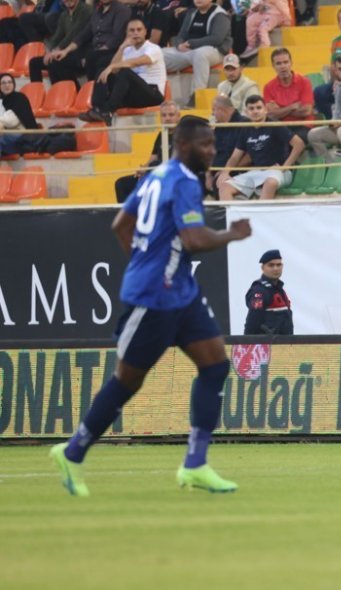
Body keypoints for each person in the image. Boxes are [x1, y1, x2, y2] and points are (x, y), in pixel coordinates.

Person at [49, 117, 253, 497]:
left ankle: (195, 464)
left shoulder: (157, 176)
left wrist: (145, 260)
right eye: (206, 145)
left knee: (215, 364)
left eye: (213, 144)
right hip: (153, 297)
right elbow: (192, 239)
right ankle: (73, 451)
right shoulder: (184, 182)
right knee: (128, 381)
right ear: (184, 145)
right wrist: (231, 234)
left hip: (181, 292)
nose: (212, 151)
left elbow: (121, 224)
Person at [79, 19, 167, 125]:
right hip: (134, 94)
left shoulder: (153, 48)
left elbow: (138, 62)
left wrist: (112, 66)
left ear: (145, 32)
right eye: (132, 30)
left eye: (139, 30)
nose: (135, 33)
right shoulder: (127, 50)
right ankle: (97, 109)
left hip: (152, 94)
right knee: (102, 71)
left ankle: (107, 111)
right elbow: (114, 70)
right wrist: (121, 47)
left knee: (125, 72)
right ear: (127, 33)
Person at [219, 94, 305, 200]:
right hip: (257, 171)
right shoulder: (246, 128)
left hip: (279, 172)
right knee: (224, 186)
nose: (255, 111)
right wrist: (225, 172)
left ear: (265, 110)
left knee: (270, 183)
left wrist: (284, 167)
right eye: (251, 108)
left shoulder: (274, 125)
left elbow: (299, 144)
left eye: (259, 108)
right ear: (246, 112)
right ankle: (235, 216)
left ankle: (262, 215)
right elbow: (235, 157)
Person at [162, 0, 232, 105]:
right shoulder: (191, 13)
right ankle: (157, 94)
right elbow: (181, 35)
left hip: (214, 50)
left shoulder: (220, 15)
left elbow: (217, 38)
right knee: (159, 54)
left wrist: (191, 43)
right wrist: (179, 44)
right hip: (189, 49)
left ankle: (196, 96)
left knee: (200, 54)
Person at [115, 101, 181, 203]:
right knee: (121, 184)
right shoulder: (161, 135)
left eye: (171, 115)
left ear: (178, 116)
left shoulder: (185, 134)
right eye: (164, 115)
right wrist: (144, 168)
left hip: (173, 173)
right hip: (155, 171)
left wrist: (151, 167)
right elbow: (153, 156)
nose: (167, 118)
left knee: (155, 165)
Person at [54, 0, 131, 82]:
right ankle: (73, 91)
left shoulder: (121, 10)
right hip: (93, 50)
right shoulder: (97, 9)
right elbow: (85, 33)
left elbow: (118, 37)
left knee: (91, 57)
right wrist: (66, 50)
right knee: (57, 61)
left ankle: (91, 91)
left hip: (111, 51)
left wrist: (94, 54)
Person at [27, 0, 91, 86]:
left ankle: (75, 91)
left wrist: (57, 49)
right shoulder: (64, 15)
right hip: (65, 52)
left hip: (81, 51)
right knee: (34, 63)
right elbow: (57, 37)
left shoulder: (85, 10)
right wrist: (50, 51)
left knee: (55, 61)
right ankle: (40, 94)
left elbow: (74, 33)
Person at [263, 48, 315, 143]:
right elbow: (272, 115)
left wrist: (281, 110)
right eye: (278, 63)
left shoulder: (304, 82)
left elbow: (306, 111)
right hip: (281, 126)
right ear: (273, 66)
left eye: (285, 62)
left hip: (303, 125)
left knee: (291, 141)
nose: (283, 66)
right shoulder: (268, 87)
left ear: (291, 63)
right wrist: (292, 107)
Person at [244, 249, 294, 335]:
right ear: (263, 268)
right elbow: (252, 323)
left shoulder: (279, 289)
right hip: (267, 346)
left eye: (279, 265)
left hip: (283, 346)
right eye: (271, 265)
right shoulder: (260, 291)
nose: (276, 268)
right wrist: (247, 345)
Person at [209, 95, 248, 196]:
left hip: (235, 170)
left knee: (219, 181)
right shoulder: (219, 126)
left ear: (222, 110)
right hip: (217, 169)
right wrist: (208, 173)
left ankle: (223, 211)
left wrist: (226, 171)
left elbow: (249, 155)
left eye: (214, 110)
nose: (213, 114)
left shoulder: (243, 124)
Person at [0, 74, 40, 156]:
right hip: (6, 137)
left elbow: (12, 121)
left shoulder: (19, 98)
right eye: (3, 83)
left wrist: (1, 123)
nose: (7, 85)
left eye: (9, 82)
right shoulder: (1, 100)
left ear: (14, 84)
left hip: (23, 137)